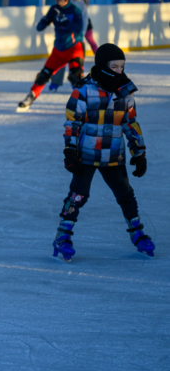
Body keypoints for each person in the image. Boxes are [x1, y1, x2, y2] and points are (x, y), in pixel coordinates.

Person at [53, 43, 153, 262]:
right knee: (78, 196)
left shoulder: (125, 90)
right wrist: (70, 151)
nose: (119, 72)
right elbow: (72, 123)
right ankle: (63, 236)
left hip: (113, 155)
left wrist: (139, 152)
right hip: (86, 155)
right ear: (102, 65)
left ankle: (137, 233)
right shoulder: (84, 90)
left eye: (122, 67)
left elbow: (130, 123)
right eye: (115, 66)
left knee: (126, 195)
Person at [17, 0, 84, 111]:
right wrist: (46, 19)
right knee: (43, 75)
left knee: (75, 77)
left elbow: (78, 28)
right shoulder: (54, 9)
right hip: (58, 50)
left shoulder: (75, 10)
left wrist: (64, 22)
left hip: (74, 48)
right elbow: (39, 28)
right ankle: (31, 96)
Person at [49, 0, 97, 92]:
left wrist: (80, 35)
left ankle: (76, 83)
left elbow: (84, 22)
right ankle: (55, 82)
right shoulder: (66, 2)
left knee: (77, 61)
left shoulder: (82, 6)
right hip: (65, 37)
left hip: (77, 37)